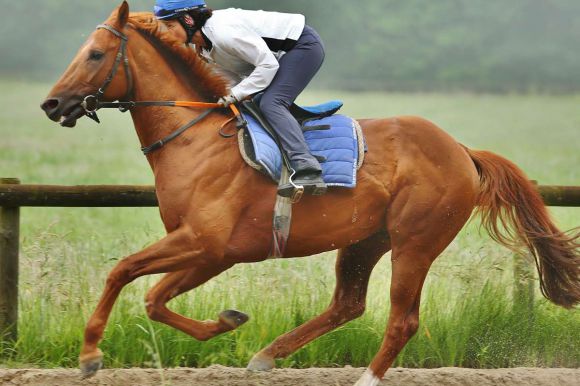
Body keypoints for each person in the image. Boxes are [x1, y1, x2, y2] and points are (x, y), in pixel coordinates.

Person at [154, 0, 327, 195]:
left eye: (169, 26)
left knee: (272, 103)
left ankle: (308, 168)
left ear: (188, 19)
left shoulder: (222, 33)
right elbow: (235, 79)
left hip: (303, 46)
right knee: (251, 104)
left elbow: (268, 65)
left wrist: (235, 94)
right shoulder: (203, 48)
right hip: (280, 55)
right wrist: (228, 96)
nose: (167, 34)